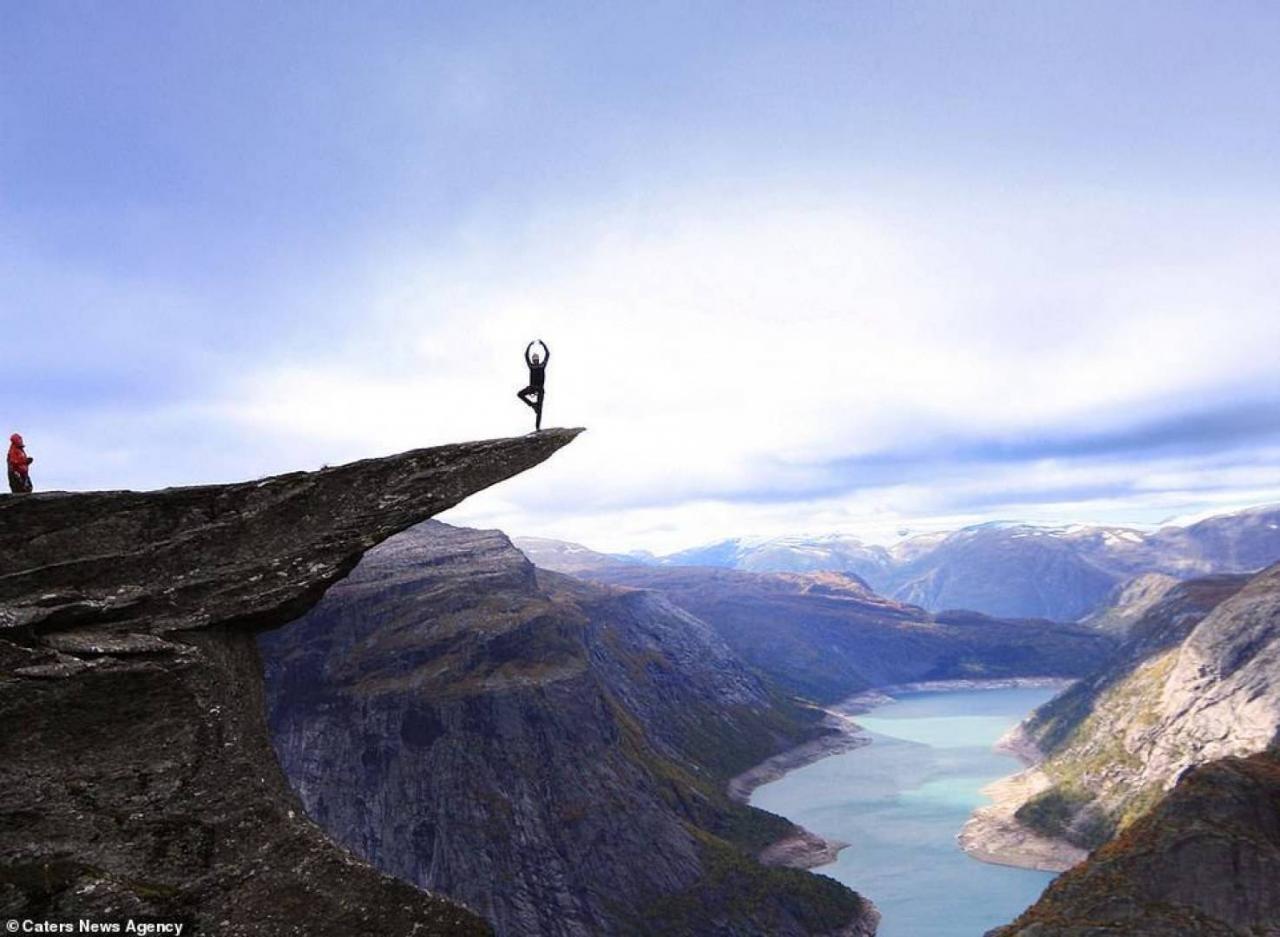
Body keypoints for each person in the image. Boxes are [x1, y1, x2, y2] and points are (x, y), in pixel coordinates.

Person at [516, 339, 550, 431]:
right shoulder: (532, 366)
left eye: (536, 359)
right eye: (534, 360)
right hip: (533, 387)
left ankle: (537, 427)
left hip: (539, 389)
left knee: (540, 409)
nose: (535, 361)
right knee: (519, 394)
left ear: (537, 360)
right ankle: (532, 405)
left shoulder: (542, 365)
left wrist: (543, 344)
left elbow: (547, 354)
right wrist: (529, 346)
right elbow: (526, 356)